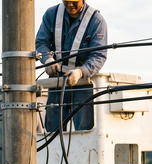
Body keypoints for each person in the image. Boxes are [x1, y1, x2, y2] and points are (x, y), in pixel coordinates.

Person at [36, 0, 108, 132]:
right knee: (53, 130)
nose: (69, 5)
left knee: (84, 129)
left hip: (83, 82)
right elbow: (41, 42)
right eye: (66, 1)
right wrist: (47, 60)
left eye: (74, 1)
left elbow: (99, 55)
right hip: (56, 81)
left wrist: (80, 72)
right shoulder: (51, 14)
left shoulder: (96, 21)